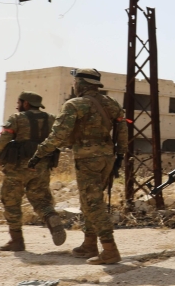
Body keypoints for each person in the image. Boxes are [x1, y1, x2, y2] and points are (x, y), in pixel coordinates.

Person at [28, 69, 128, 265]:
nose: (74, 86)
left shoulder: (75, 105)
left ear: (81, 85)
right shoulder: (111, 103)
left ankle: (110, 249)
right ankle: (89, 244)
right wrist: (120, 156)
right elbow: (122, 129)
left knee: (93, 203)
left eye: (75, 82)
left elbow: (58, 135)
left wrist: (39, 153)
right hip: (107, 157)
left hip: (87, 159)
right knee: (89, 200)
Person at [0, 91, 66, 251]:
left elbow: (3, 139)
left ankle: (17, 240)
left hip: (18, 168)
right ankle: (51, 217)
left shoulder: (17, 118)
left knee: (11, 201)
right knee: (41, 200)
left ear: (26, 104)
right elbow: (60, 138)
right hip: (41, 166)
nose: (17, 105)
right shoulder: (50, 118)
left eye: (19, 102)